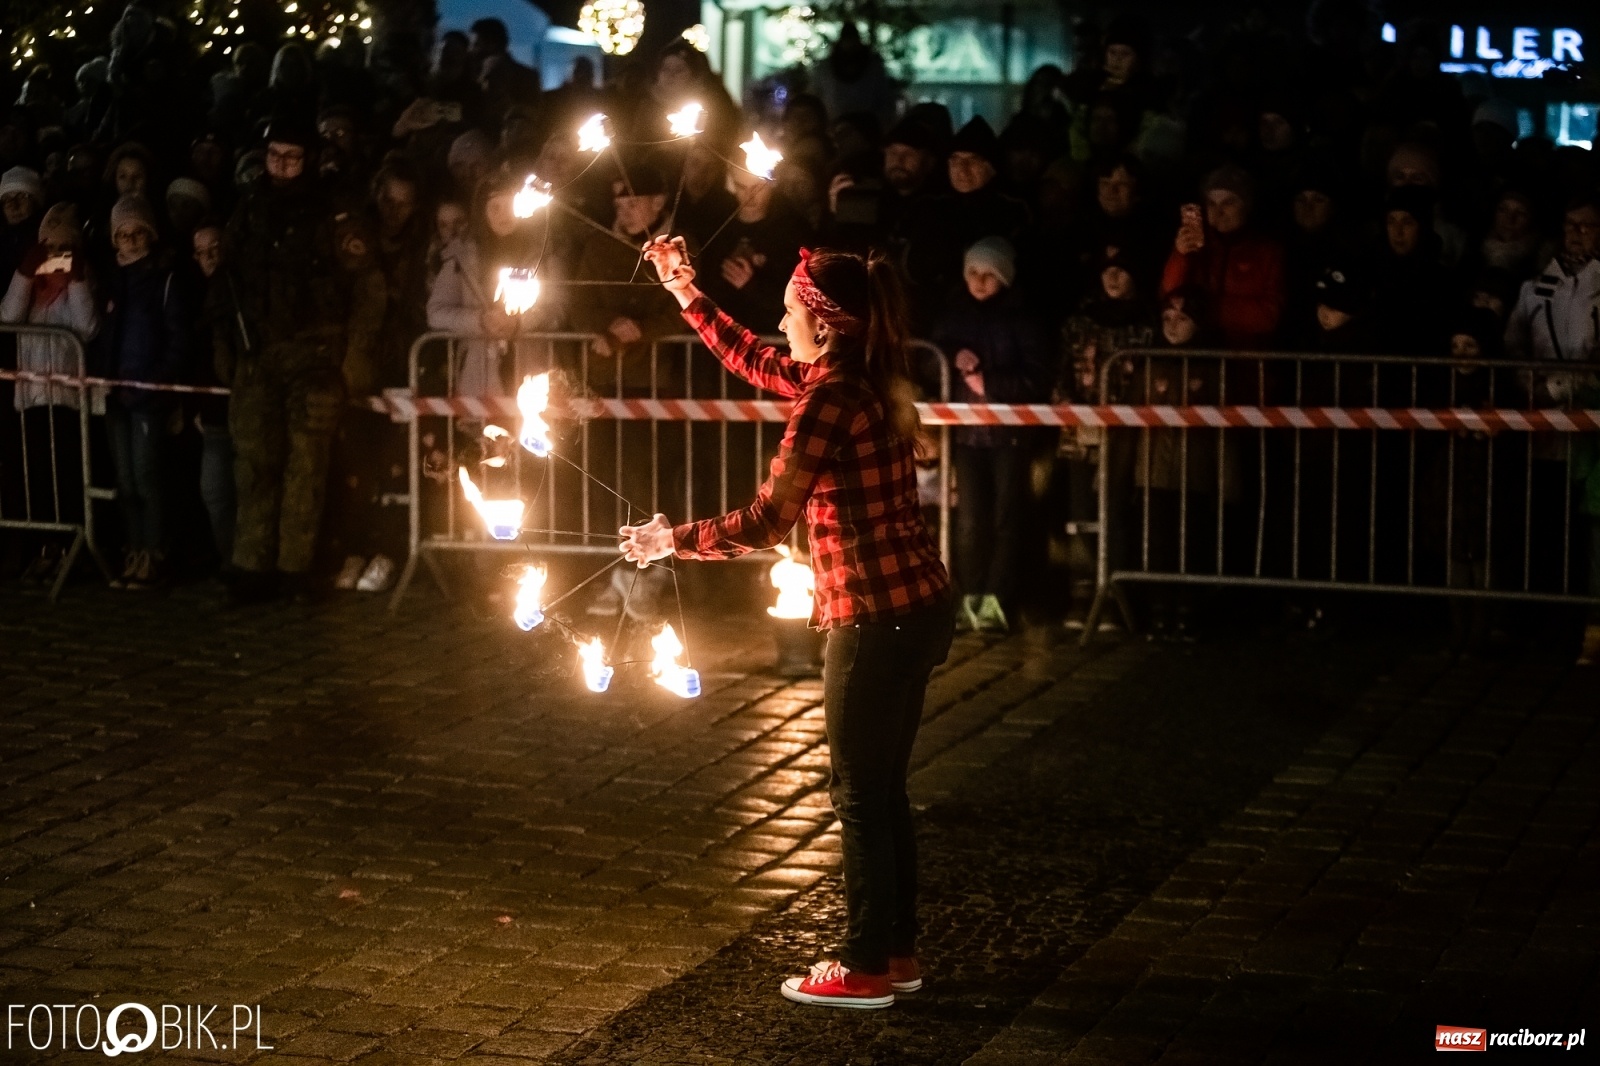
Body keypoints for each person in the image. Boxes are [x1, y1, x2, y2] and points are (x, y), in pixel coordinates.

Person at [630, 235, 953, 1009]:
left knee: (856, 796)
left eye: (788, 311)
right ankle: (897, 953)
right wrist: (685, 290)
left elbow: (771, 519)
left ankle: (865, 965)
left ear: (825, 321)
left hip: (875, 619)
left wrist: (670, 540)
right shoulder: (853, 374)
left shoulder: (830, 399)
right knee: (883, 791)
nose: (779, 324)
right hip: (918, 606)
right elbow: (755, 360)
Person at [224, 119, 384, 601]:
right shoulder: (250, 209)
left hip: (315, 356)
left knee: (307, 468)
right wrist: (224, 346)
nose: (282, 167)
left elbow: (368, 287)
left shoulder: (336, 212)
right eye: (274, 156)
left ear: (309, 159)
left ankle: (295, 569)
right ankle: (251, 567)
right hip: (258, 354)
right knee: (254, 463)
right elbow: (226, 281)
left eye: (292, 157)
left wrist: (356, 358)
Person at [932, 237, 1050, 633]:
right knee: (968, 521)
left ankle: (996, 604)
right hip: (967, 437)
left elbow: (1036, 378)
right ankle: (970, 600)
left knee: (1005, 518)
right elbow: (927, 360)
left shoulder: (1023, 319)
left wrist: (992, 384)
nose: (980, 282)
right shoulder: (953, 316)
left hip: (1009, 437)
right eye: (972, 274)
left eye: (989, 275)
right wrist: (951, 358)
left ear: (1004, 277)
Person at [97, 193, 194, 589]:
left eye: (138, 233)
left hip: (147, 393)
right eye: (123, 234)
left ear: (150, 234)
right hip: (114, 392)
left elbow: (177, 339)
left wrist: (157, 378)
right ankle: (134, 549)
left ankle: (155, 553)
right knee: (125, 480)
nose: (131, 241)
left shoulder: (164, 279)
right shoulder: (109, 280)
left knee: (146, 476)